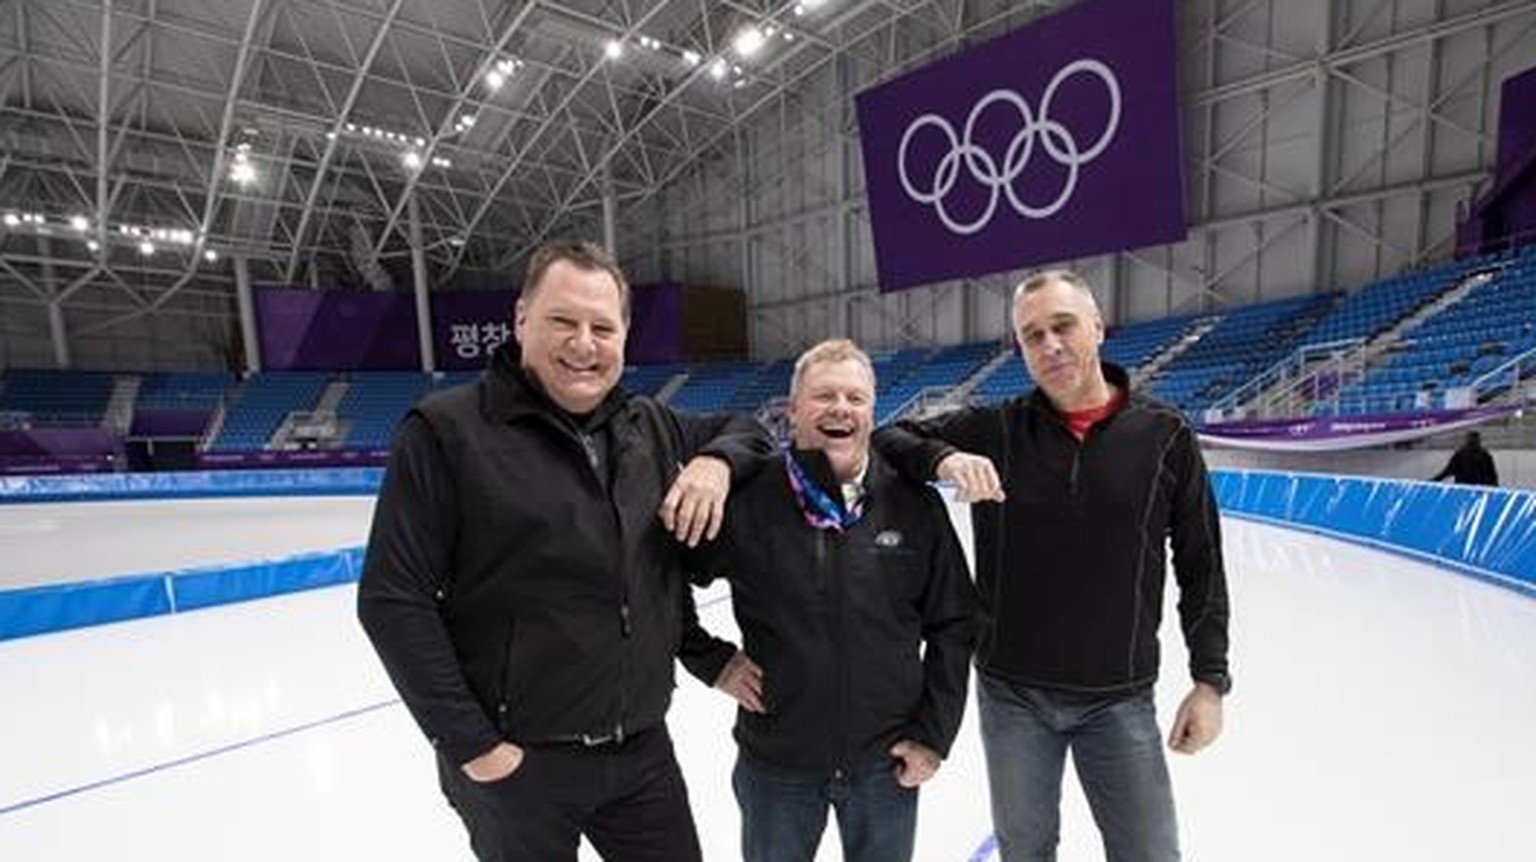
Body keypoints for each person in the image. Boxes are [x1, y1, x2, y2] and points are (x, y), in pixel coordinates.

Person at [356, 239, 772, 862]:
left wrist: (715, 462)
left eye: (602, 327)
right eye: (562, 321)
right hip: (518, 765)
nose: (584, 343)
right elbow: (392, 599)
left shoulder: (648, 426)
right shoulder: (447, 432)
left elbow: (749, 431)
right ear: (521, 319)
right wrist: (476, 749)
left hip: (639, 752)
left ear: (624, 336)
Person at [874, 269, 1231, 862]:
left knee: (1149, 853)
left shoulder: (1163, 435)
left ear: (1097, 326)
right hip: (1013, 696)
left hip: (1118, 696)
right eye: (1032, 335)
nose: (1050, 345)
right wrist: (945, 456)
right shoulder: (996, 429)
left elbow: (1201, 562)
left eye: (1062, 326)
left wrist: (1210, 681)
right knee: (1026, 850)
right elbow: (889, 438)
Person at [680, 339, 976, 862]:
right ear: (793, 411)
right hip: (778, 765)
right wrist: (711, 661)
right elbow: (659, 582)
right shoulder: (748, 499)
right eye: (823, 396)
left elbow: (955, 622)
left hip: (885, 764)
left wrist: (934, 734)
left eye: (855, 398)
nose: (841, 408)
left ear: (871, 412)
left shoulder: (915, 504)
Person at [1430, 430, 1498, 486]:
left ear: (1467, 440)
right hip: (1480, 491)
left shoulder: (1460, 455)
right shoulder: (1485, 456)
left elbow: (1446, 472)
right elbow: (1493, 478)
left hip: (1463, 491)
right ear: (1479, 441)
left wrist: (1431, 481)